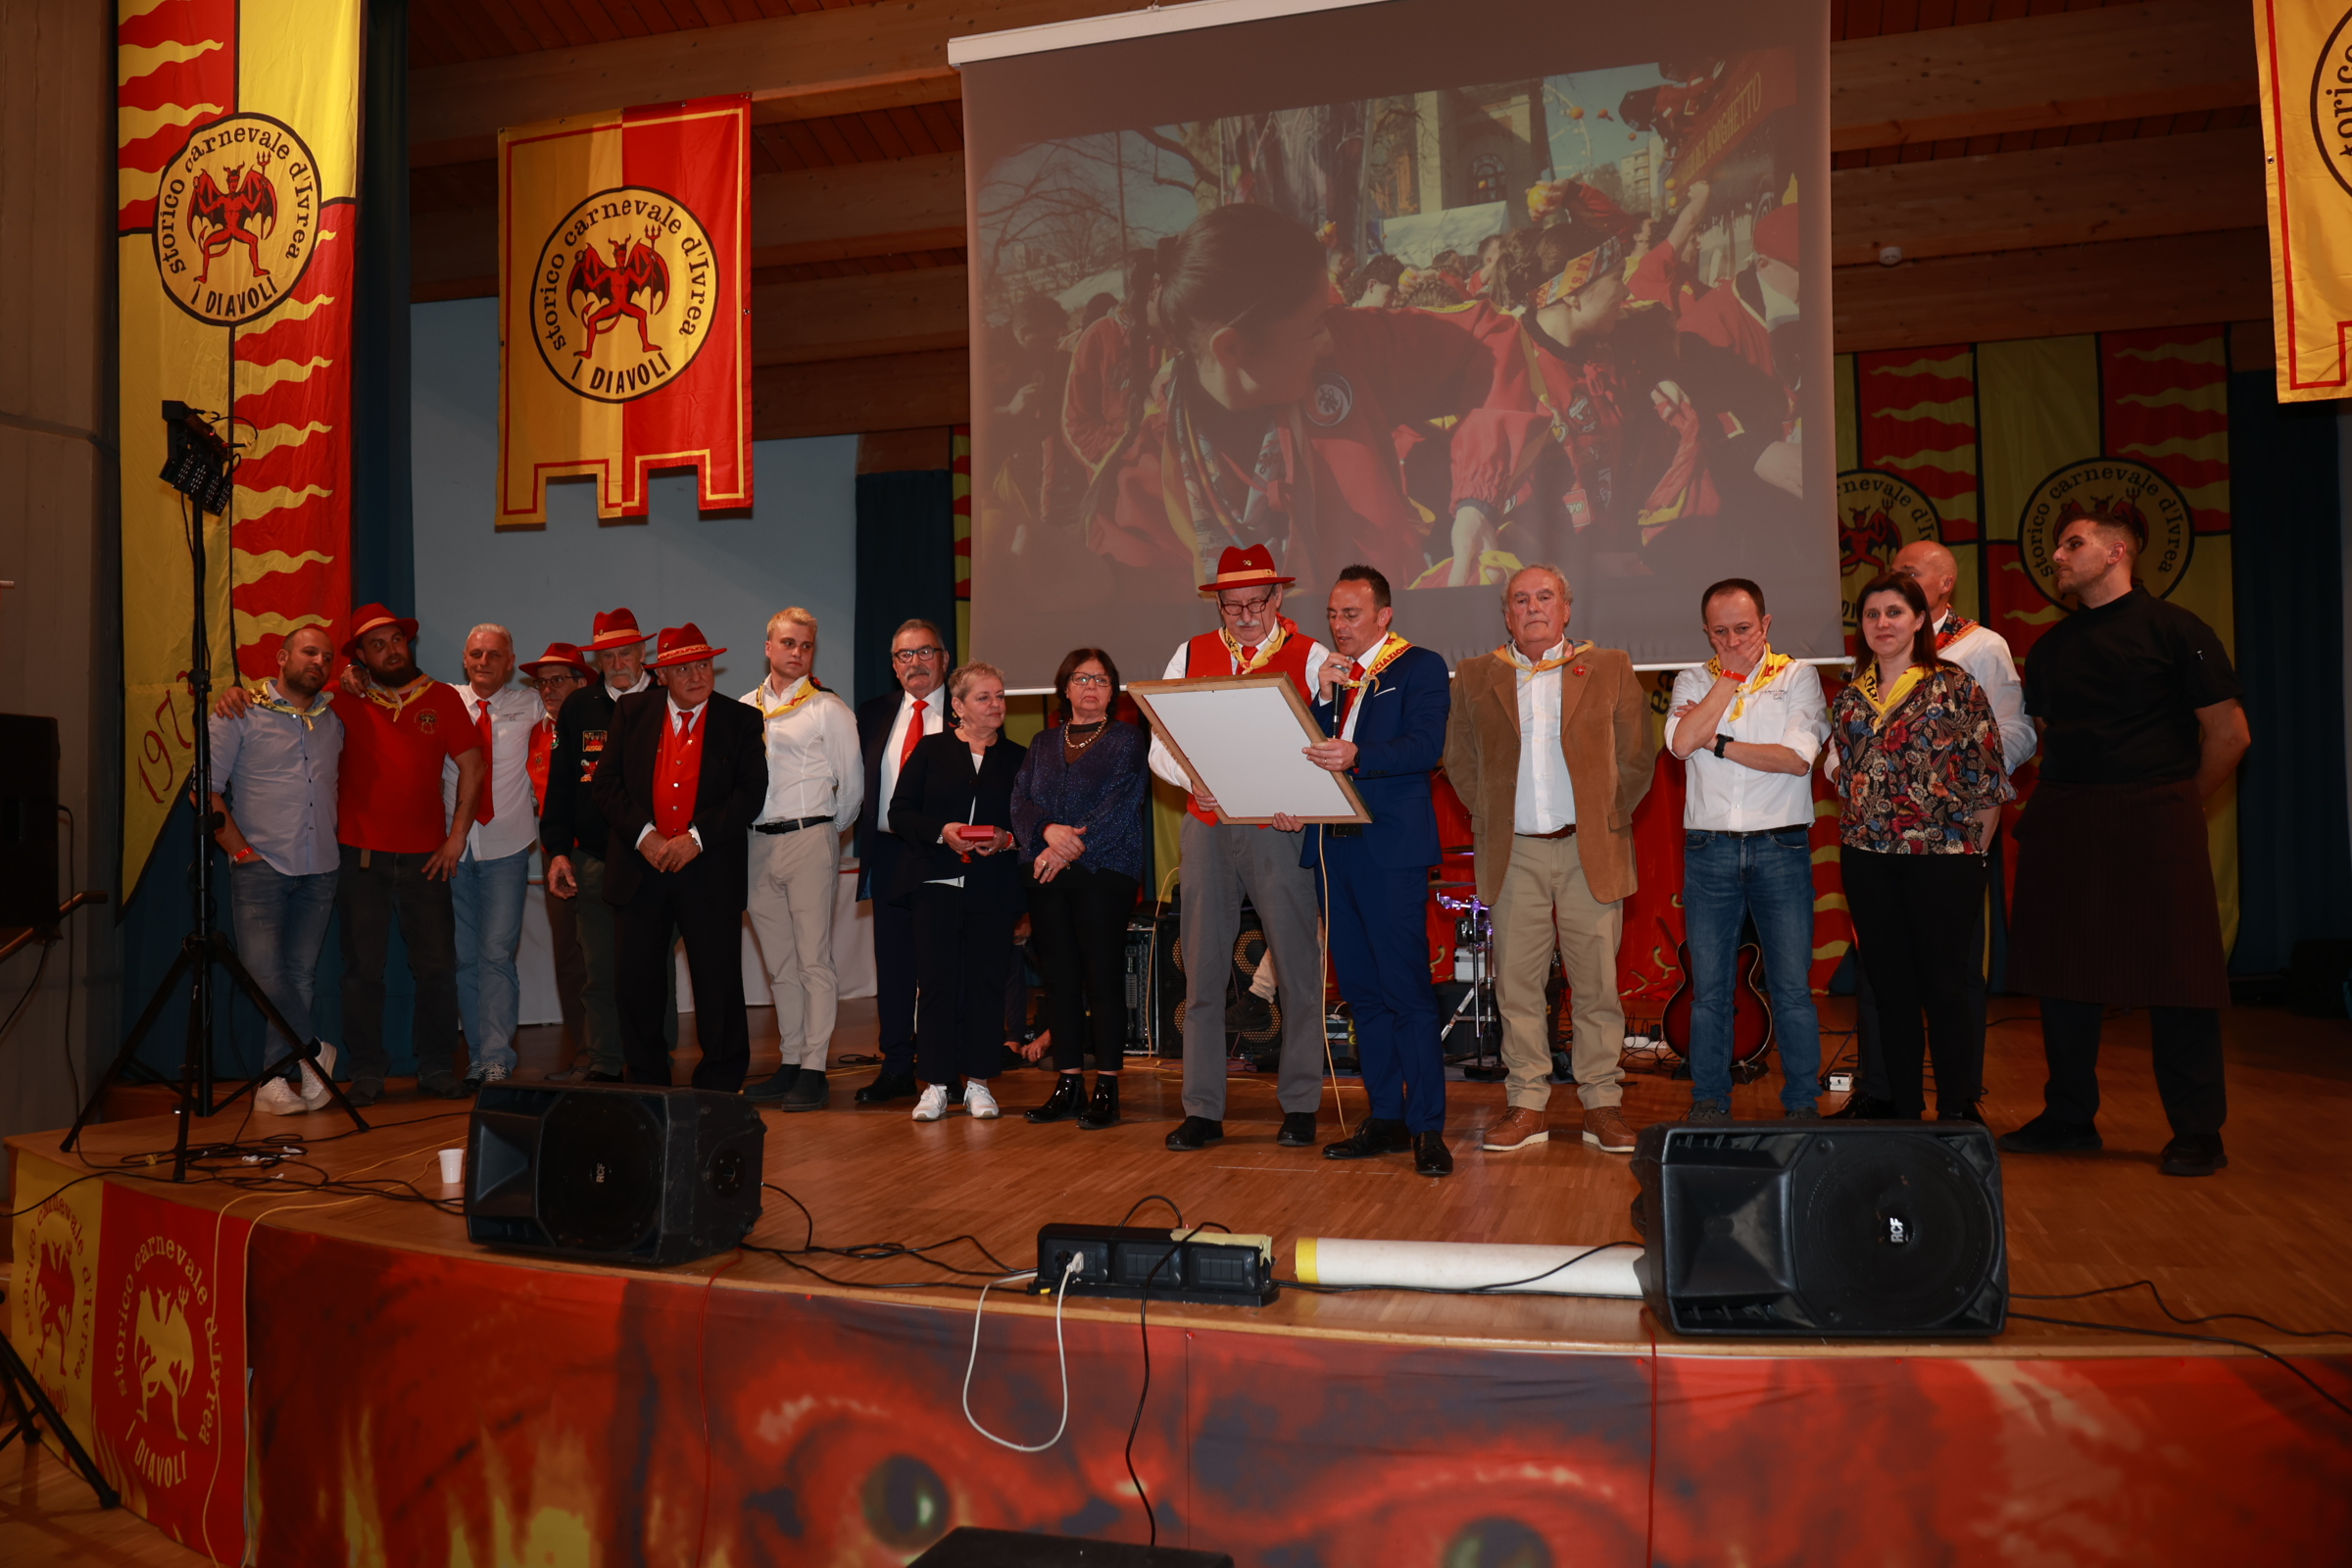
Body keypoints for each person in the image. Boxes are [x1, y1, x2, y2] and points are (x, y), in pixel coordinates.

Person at [1085, 202, 1531, 600]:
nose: (1326, 339)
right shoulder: (1148, 483)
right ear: (1232, 349)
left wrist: (1477, 504)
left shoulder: (1347, 348)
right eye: (1313, 327)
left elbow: (1490, 336)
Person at [1998, 513, 2249, 1177]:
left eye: (2072, 543)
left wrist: (2176, 800)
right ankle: (2069, 1118)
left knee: (2179, 974)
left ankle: (2198, 1131)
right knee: (2062, 971)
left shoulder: (2177, 630)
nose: (2057, 555)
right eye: (2058, 545)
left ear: (2116, 552)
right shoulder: (2050, 647)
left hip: (2156, 813)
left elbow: (2230, 735)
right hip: (2068, 816)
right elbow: (2047, 736)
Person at [1444, 565, 1653, 1154]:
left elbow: (1638, 756)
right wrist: (1491, 813)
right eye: (1521, 599)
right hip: (1514, 853)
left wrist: (1606, 817)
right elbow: (1460, 760)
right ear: (1507, 614)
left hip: (1590, 850)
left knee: (1597, 986)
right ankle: (1527, 1104)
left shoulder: (1609, 666)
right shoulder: (1477, 674)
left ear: (1566, 609)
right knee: (1517, 988)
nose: (1533, 607)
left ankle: (1601, 1104)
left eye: (1545, 597)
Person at [1837, 541, 2035, 1119]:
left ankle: (1956, 1111)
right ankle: (1903, 1111)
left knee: (1946, 988)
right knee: (1890, 989)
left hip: (1943, 859)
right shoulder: (1850, 697)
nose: (1883, 623)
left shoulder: (1956, 685)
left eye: (1895, 612)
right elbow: (1848, 778)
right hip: (1868, 859)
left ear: (1920, 619)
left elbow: (1988, 781)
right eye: (1872, 614)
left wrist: (1974, 858)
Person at [1152, 544, 1334, 1153]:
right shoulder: (1189, 654)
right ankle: (1202, 1109)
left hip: (1278, 829)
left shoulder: (1312, 657)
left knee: (1298, 969)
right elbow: (1159, 745)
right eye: (1234, 606)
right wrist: (1189, 779)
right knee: (1202, 971)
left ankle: (1301, 1103)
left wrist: (1301, 796)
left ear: (1278, 597)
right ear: (1219, 605)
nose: (1247, 616)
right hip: (1207, 824)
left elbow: (1330, 743)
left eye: (1257, 603)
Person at [1283, 565, 1454, 1175]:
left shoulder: (1419, 666)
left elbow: (1426, 747)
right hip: (1334, 850)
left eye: (1351, 614)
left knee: (1405, 991)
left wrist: (1359, 755)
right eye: (1332, 614)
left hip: (1390, 850)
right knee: (1361, 994)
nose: (1339, 625)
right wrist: (1320, 699)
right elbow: (1303, 753)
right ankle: (1385, 1116)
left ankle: (1427, 1126)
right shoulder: (1333, 678)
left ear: (1384, 615)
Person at [1662, 578, 1829, 1121]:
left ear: (1766, 624)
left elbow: (1795, 759)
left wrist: (1717, 740)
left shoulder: (1798, 677)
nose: (1732, 641)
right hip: (1709, 849)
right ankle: (1709, 1100)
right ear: (1706, 632)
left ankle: (1801, 1105)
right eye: (1720, 632)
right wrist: (1729, 678)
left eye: (1743, 629)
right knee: (1709, 989)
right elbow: (1681, 743)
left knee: (1791, 988)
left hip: (1781, 845)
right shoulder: (1693, 678)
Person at [591, 623, 768, 1091]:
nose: (696, 675)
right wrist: (643, 836)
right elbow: (606, 784)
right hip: (641, 870)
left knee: (718, 983)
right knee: (637, 983)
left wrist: (697, 838)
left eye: (703, 665)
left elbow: (751, 793)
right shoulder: (632, 711)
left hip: (708, 869)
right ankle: (647, 1081)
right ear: (662, 676)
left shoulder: (741, 719)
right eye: (684, 669)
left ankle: (721, 1082)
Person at [324, 606, 484, 1103]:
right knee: (362, 971)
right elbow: (291, 696)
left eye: (396, 640)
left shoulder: (442, 698)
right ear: (361, 657)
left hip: (427, 859)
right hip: (360, 858)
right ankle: (366, 1071)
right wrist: (342, 677)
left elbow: (473, 765)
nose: (391, 650)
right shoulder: (343, 698)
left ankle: (436, 1066)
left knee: (437, 969)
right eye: (377, 646)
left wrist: (457, 836)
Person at [1010, 648, 1149, 1130]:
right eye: (1082, 678)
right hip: (1046, 870)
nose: (1091, 687)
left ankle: (1107, 1087)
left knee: (1102, 977)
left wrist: (1066, 848)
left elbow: (1121, 803)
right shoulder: (1042, 741)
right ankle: (1068, 1083)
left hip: (1104, 869)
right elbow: (1020, 799)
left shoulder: (1128, 739)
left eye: (1102, 680)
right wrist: (1047, 832)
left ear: (1113, 692)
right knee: (1060, 979)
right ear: (1064, 688)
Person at [209, 624, 344, 1114]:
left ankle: (273, 1078)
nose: (319, 662)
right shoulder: (239, 712)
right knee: (264, 973)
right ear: (282, 657)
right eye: (309, 652)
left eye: (326, 657)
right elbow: (205, 791)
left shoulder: (333, 718)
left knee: (300, 977)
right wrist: (240, 851)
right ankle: (314, 1052)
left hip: (321, 866)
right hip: (261, 865)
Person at [888, 662, 1027, 1122]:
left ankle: (979, 1083)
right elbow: (899, 813)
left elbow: (1032, 823)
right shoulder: (931, 750)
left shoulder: (1020, 758)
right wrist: (940, 831)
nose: (996, 705)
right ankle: (935, 1084)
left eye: (1000, 696)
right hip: (935, 883)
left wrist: (1008, 839)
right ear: (959, 706)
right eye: (984, 697)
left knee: (986, 984)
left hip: (994, 887)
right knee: (937, 985)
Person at [739, 608, 863, 1109]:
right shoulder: (744, 707)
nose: (797, 652)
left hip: (809, 837)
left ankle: (814, 1068)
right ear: (768, 647)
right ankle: (790, 1061)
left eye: (806, 645)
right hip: (756, 843)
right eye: (788, 643)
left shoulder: (828, 708)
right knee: (780, 964)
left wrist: (824, 831)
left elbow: (851, 787)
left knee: (814, 960)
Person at [543, 610, 668, 1083]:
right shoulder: (580, 706)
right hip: (594, 858)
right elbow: (560, 785)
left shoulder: (666, 698)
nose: (617, 663)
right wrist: (558, 849)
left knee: (652, 967)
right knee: (598, 970)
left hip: (656, 860)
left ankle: (654, 1061)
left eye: (626, 653)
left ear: (642, 653)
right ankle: (605, 1062)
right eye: (608, 656)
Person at [443, 624, 548, 1092]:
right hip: (452, 849)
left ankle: (497, 1056)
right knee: (465, 958)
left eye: (493, 655)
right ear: (465, 659)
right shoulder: (445, 701)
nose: (483, 662)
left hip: (507, 849)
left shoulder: (531, 704)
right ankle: (477, 1055)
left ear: (510, 663)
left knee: (496, 954)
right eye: (475, 654)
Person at [852, 618, 952, 1105]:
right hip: (890, 853)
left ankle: (944, 1068)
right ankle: (895, 1066)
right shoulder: (873, 714)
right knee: (893, 966)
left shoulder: (965, 710)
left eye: (925, 652)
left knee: (943, 967)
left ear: (944, 658)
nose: (916, 663)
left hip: (947, 854)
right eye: (904, 655)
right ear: (893, 666)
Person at [520, 641, 595, 1068]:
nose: (547, 689)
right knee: (568, 956)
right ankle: (584, 1053)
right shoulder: (534, 733)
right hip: (557, 856)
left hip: (602, 852)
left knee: (609, 954)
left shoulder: (604, 724)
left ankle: (619, 1050)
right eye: (541, 682)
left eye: (558, 680)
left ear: (581, 684)